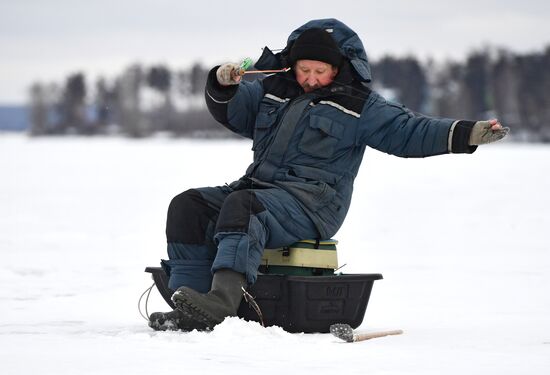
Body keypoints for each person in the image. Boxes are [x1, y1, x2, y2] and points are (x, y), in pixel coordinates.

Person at [148, 18, 509, 332]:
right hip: (261, 190)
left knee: (243, 208)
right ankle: (189, 305)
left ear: (337, 68)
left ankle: (221, 303)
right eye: (304, 70)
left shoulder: (360, 105)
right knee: (188, 205)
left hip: (313, 205)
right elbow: (235, 111)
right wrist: (222, 84)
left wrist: (468, 133)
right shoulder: (274, 89)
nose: (310, 80)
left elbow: (410, 131)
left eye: (320, 72)